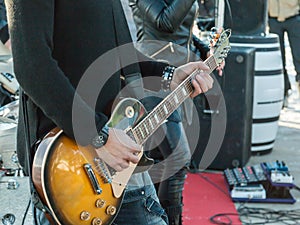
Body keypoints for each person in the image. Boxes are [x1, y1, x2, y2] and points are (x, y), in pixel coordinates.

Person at [5, 0, 214, 224]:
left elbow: (117, 52)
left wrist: (168, 74)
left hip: (116, 146)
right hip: (70, 163)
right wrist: (98, 135)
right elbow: (32, 66)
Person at [128, 1, 222, 224]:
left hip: (177, 78)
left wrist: (204, 52)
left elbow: (184, 32)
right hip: (152, 79)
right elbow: (165, 22)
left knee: (163, 160)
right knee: (176, 159)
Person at [268, 0, 300, 101]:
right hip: (273, 20)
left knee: (298, 56)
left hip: (293, 18)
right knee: (279, 59)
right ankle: (284, 90)